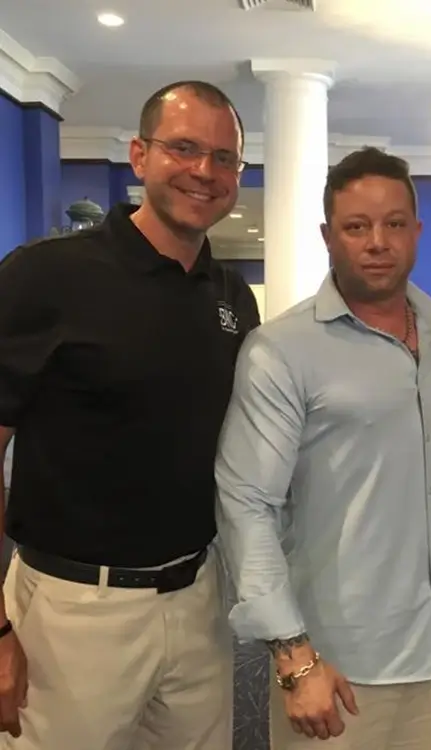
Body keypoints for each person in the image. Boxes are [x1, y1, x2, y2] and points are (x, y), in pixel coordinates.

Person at [0, 80, 260, 750]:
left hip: (197, 598)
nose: (204, 171)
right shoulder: (45, 277)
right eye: (183, 148)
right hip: (75, 610)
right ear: (140, 156)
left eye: (223, 157)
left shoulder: (232, 296)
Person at [215, 146, 431, 749]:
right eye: (357, 227)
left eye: (393, 224)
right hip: (337, 664)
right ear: (328, 237)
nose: (377, 242)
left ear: (417, 231)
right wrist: (293, 655)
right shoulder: (280, 350)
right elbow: (245, 503)